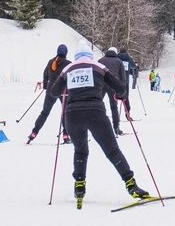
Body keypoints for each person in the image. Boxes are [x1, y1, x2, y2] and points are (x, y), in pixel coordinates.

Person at [50, 41, 150, 202]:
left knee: (80, 150)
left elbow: (54, 92)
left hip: (72, 115)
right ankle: (131, 185)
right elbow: (120, 88)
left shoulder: (68, 69)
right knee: (112, 151)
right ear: (90, 56)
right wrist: (119, 95)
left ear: (76, 57)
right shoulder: (98, 67)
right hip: (95, 113)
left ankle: (79, 185)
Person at [28, 44, 72, 145]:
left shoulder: (51, 62)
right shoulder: (68, 63)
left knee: (45, 112)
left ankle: (34, 132)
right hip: (63, 91)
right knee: (65, 113)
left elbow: (45, 74)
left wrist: (45, 86)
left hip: (50, 90)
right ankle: (66, 135)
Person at [98, 47, 125, 136]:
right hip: (113, 86)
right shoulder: (119, 61)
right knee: (114, 107)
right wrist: (122, 89)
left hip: (102, 85)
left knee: (98, 104)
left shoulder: (101, 60)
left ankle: (99, 126)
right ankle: (116, 128)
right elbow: (122, 76)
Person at [117, 48, 137, 114]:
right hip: (126, 81)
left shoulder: (117, 58)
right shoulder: (129, 59)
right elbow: (134, 67)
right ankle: (127, 113)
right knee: (126, 98)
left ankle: (115, 113)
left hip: (117, 81)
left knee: (114, 98)